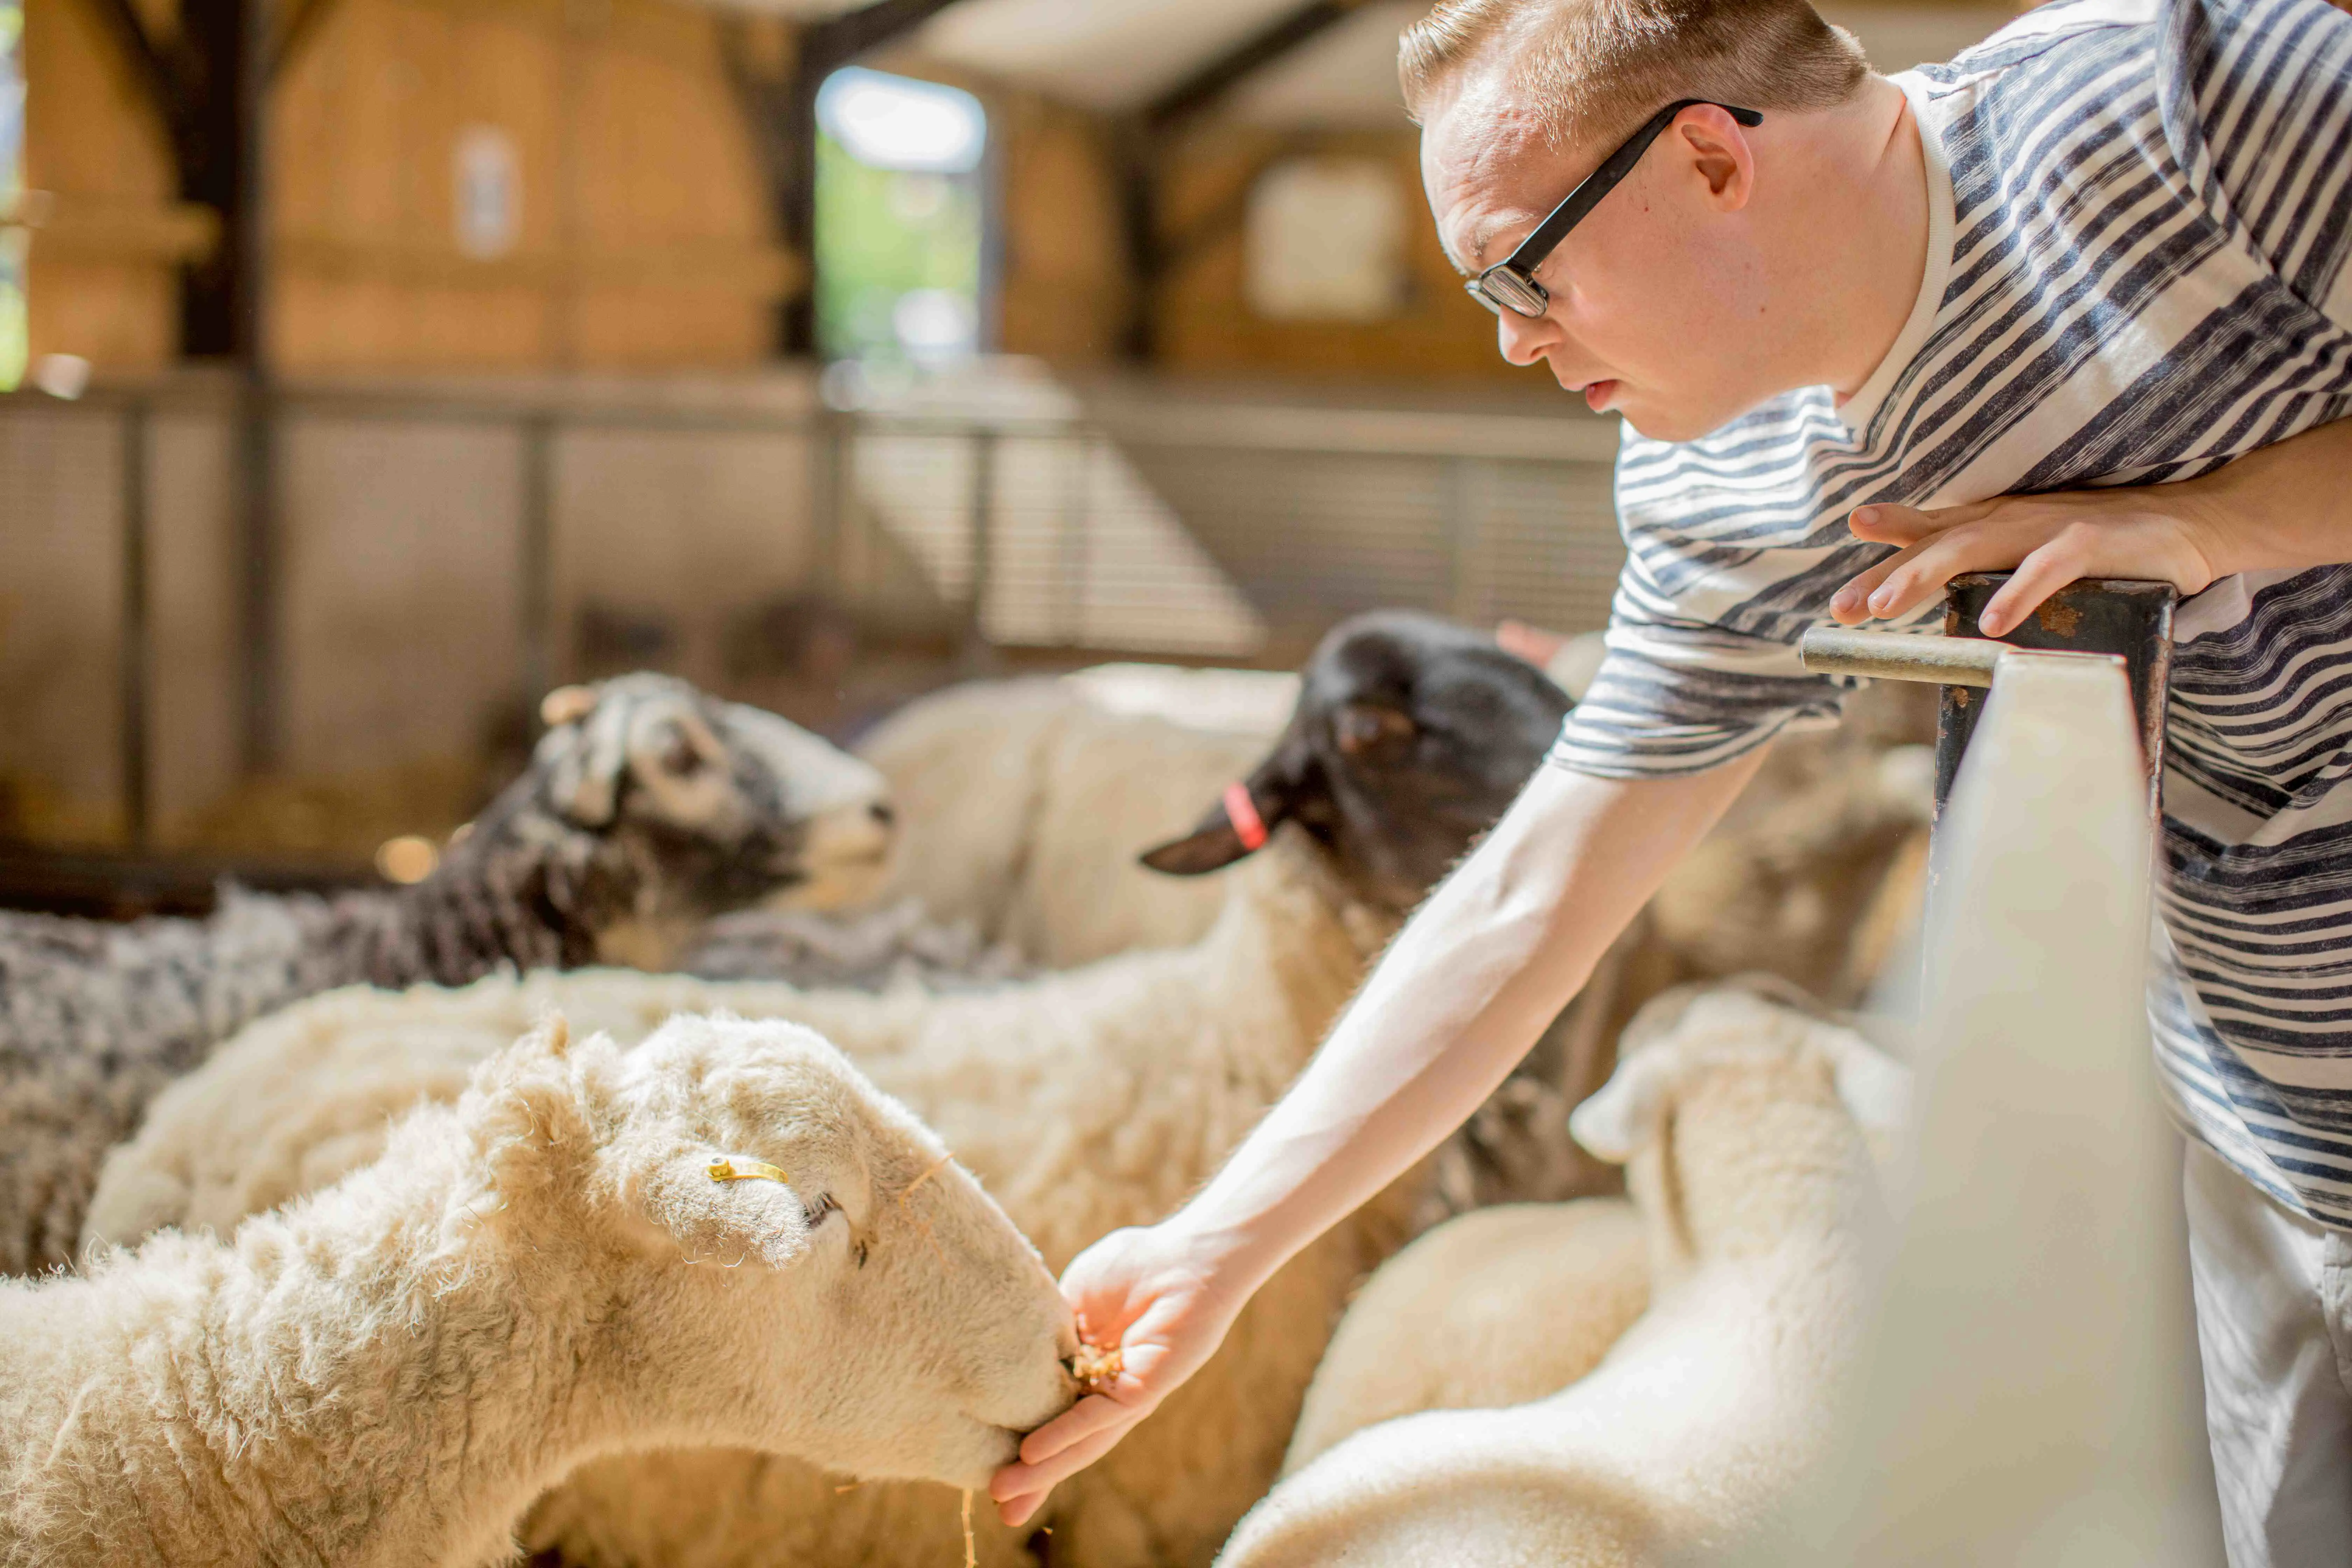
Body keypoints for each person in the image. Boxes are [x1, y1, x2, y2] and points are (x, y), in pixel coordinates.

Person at [992, 1, 2352, 1560]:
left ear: (1706, 157)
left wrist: (2225, 521)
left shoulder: (2201, 108)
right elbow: (1530, 892)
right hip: (2269, 1139)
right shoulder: (1732, 476)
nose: (1511, 333)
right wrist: (1211, 1246)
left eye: (1521, 267)